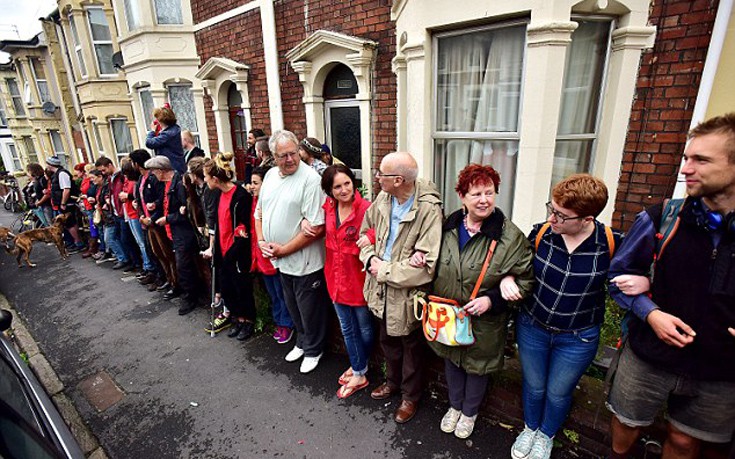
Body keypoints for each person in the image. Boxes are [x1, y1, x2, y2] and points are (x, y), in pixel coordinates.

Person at [606, 114, 735, 459]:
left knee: (684, 441)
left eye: (701, 160)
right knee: (626, 424)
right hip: (649, 356)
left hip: (719, 369)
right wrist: (650, 314)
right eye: (686, 159)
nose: (686, 169)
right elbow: (617, 277)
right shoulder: (662, 217)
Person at [503, 174, 623, 459]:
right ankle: (530, 428)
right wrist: (508, 276)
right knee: (533, 385)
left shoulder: (610, 243)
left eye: (561, 215)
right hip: (533, 326)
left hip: (577, 337)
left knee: (558, 392)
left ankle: (546, 435)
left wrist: (638, 282)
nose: (552, 218)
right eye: (551, 208)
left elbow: (632, 278)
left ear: (586, 218)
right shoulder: (541, 234)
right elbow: (513, 262)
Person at [428, 164, 534, 439]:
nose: (484, 199)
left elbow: (526, 281)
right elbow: (431, 261)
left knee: (478, 367)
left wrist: (493, 299)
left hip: (485, 322)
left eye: (489, 192)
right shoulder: (447, 227)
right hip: (450, 316)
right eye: (476, 193)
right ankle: (454, 406)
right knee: (452, 359)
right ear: (462, 196)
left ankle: (469, 413)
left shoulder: (510, 237)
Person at [359, 152, 443, 424]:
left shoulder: (428, 210)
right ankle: (392, 382)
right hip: (382, 290)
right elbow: (364, 234)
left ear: (398, 179)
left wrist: (383, 270)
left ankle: (410, 397)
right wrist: (370, 257)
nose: (376, 178)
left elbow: (426, 266)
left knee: (412, 349)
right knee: (387, 340)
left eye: (381, 174)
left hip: (408, 296)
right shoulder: (384, 198)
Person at [255, 130, 329, 374]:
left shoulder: (310, 179)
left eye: (292, 153)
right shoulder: (270, 176)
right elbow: (259, 214)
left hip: (305, 261)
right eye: (282, 156)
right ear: (272, 157)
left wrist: (283, 249)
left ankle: (313, 350)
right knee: (293, 306)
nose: (289, 159)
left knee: (310, 309)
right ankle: (301, 342)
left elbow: (315, 228)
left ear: (299, 150)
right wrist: (263, 240)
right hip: (280, 259)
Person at [321, 164, 374, 399]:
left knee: (365, 329)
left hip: (358, 278)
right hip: (334, 276)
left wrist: (369, 237)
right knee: (347, 327)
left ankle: (359, 363)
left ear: (353, 183)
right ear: (330, 191)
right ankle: (360, 370)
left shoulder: (366, 209)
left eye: (347, 184)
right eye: (337, 187)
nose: (344, 190)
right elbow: (314, 222)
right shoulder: (328, 209)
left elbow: (379, 231)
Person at [203, 152, 256, 340]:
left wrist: (232, 254)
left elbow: (244, 227)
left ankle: (247, 320)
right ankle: (237, 318)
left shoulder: (240, 195)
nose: (205, 181)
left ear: (215, 179)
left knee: (242, 288)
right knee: (229, 289)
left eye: (206, 177)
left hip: (236, 253)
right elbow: (218, 225)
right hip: (223, 250)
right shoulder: (218, 195)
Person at [145, 155, 202, 315]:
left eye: (154, 171)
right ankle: (187, 293)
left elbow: (186, 212)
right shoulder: (167, 184)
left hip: (183, 234)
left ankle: (190, 298)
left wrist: (168, 219)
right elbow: (168, 206)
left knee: (184, 266)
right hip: (174, 233)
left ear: (161, 171)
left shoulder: (179, 184)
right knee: (182, 265)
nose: (153, 175)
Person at [249, 165, 294, 342]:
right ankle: (279, 321)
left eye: (255, 183)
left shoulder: (272, 202)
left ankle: (286, 324)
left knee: (282, 293)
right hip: (261, 257)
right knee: (273, 294)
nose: (252, 186)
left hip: (274, 256)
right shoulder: (253, 202)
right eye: (251, 183)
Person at [95, 157, 137, 271]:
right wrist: (108, 198)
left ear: (109, 165)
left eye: (103, 170)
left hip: (123, 212)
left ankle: (135, 263)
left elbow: (128, 191)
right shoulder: (110, 178)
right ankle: (130, 261)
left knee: (127, 239)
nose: (102, 173)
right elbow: (111, 192)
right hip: (115, 212)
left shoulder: (120, 176)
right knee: (121, 238)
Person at [46, 155, 85, 253]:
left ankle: (78, 243)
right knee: (69, 224)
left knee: (70, 223)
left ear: (51, 165)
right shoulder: (58, 174)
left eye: (47, 163)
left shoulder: (62, 174)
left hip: (67, 203)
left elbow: (66, 189)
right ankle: (76, 243)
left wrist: (63, 203)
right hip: (62, 203)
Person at [145, 106, 186, 174]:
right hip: (175, 166)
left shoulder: (167, 134)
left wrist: (152, 131)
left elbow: (149, 143)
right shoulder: (174, 129)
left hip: (173, 168)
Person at [25, 163, 50, 227]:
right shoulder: (35, 180)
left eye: (28, 172)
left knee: (49, 224)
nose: (27, 174)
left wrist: (39, 202)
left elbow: (47, 193)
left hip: (44, 205)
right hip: (38, 206)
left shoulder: (42, 180)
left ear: (32, 171)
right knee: (46, 223)